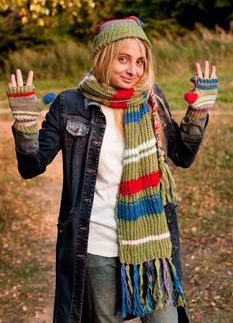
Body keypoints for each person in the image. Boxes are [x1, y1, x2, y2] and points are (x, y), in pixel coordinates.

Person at [7, 16, 218, 323]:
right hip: (97, 246)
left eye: (140, 62)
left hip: (150, 245)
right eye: (123, 59)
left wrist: (197, 115)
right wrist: (26, 127)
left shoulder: (151, 100)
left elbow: (182, 157)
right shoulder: (70, 104)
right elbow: (31, 167)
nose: (133, 70)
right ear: (104, 56)